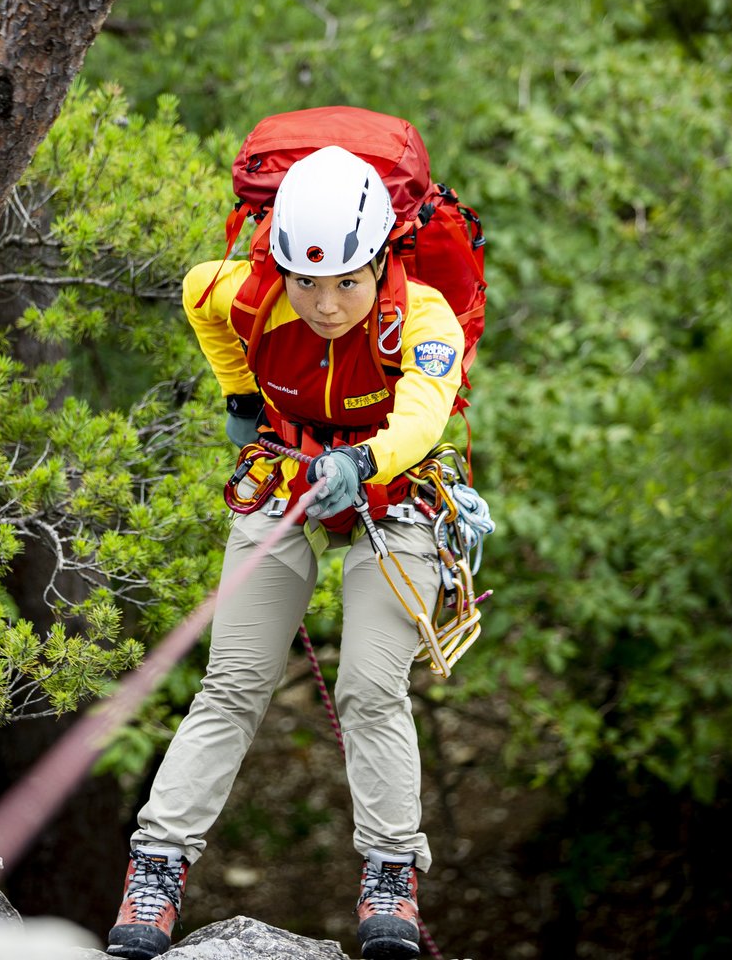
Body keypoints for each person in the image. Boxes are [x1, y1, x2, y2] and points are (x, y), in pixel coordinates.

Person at [105, 145, 466, 960]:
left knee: (371, 685)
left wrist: (359, 463)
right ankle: (155, 870)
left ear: (379, 260)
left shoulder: (428, 316)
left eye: (346, 281)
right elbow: (201, 296)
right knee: (232, 680)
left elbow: (423, 417)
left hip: (399, 486)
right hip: (285, 468)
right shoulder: (241, 289)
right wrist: (240, 393)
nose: (326, 305)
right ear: (279, 262)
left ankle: (390, 876)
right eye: (307, 283)